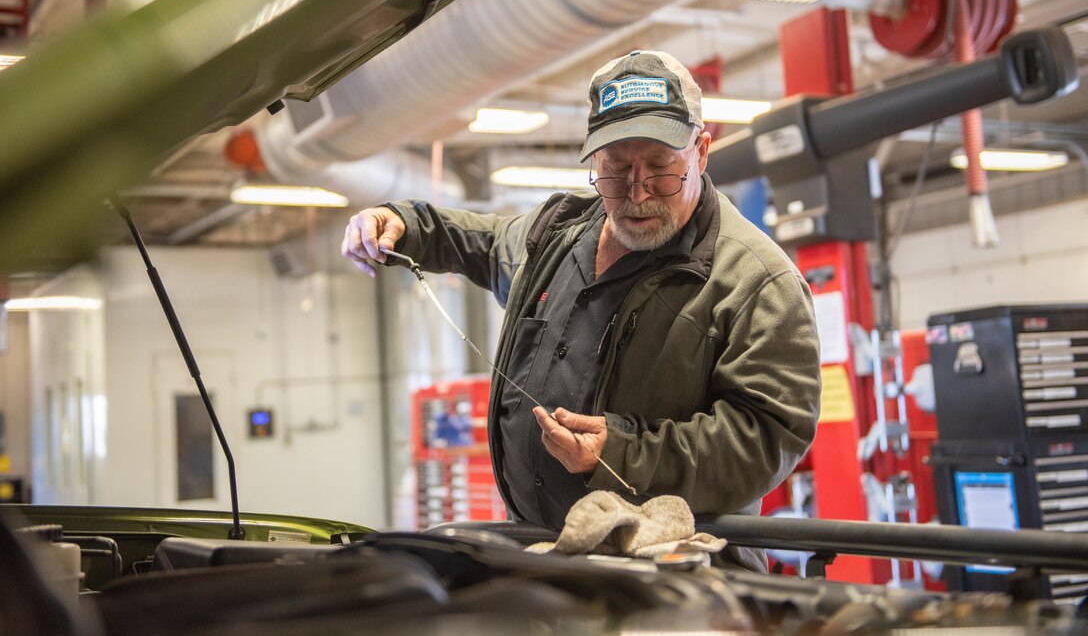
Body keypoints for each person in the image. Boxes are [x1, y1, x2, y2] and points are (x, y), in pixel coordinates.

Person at [342, 50, 821, 570]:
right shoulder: (558, 235)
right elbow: (485, 242)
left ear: (701, 152)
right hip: (544, 556)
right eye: (616, 171)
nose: (637, 194)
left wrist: (619, 453)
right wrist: (406, 223)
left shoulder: (756, 281)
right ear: (593, 160)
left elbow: (767, 437)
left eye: (661, 170)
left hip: (677, 577)